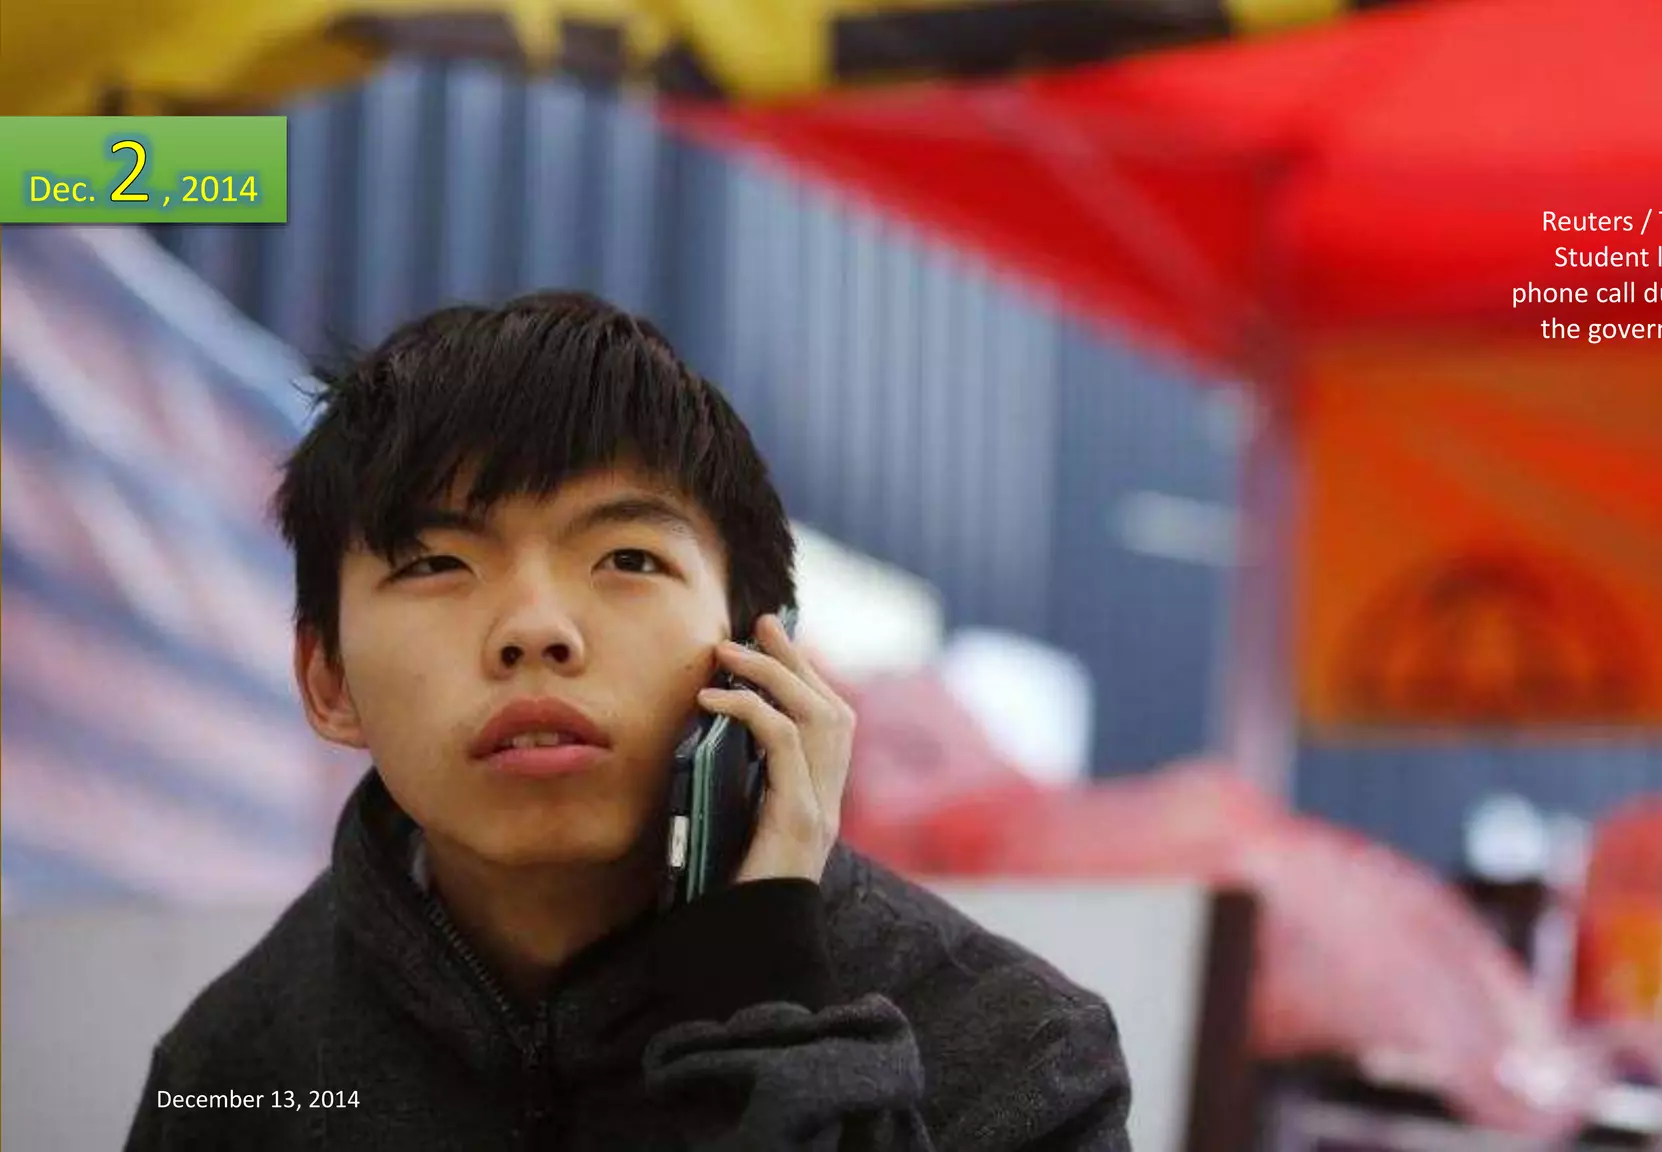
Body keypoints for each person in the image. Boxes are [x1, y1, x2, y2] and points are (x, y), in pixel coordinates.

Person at [125, 291, 1132, 1150]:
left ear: (765, 655)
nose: (535, 629)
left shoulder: (1011, 1054)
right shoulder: (238, 1069)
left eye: (628, 560)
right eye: (436, 564)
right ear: (328, 680)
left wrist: (769, 1008)